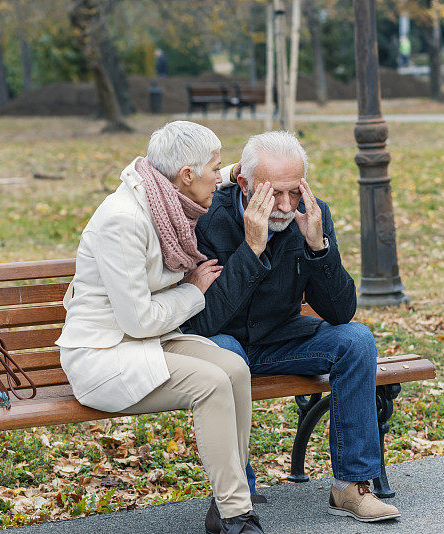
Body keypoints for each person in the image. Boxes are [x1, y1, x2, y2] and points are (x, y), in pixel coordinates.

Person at [182, 131, 401, 525]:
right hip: (225, 344)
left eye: (294, 191)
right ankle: (238, 496)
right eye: (274, 194)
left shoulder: (311, 215)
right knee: (226, 352)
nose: (285, 206)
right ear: (245, 184)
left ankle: (351, 486)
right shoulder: (209, 221)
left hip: (284, 339)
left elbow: (340, 311)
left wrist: (319, 248)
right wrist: (251, 250)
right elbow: (203, 322)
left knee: (356, 340)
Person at [57, 121, 264, 534]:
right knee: (210, 382)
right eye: (214, 169)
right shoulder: (124, 220)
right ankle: (237, 515)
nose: (218, 178)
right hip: (103, 356)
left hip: (146, 344)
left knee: (235, 370)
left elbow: (209, 176)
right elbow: (138, 320)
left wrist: (246, 169)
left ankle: (228, 503)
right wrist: (193, 290)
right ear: (186, 174)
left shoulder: (164, 195)